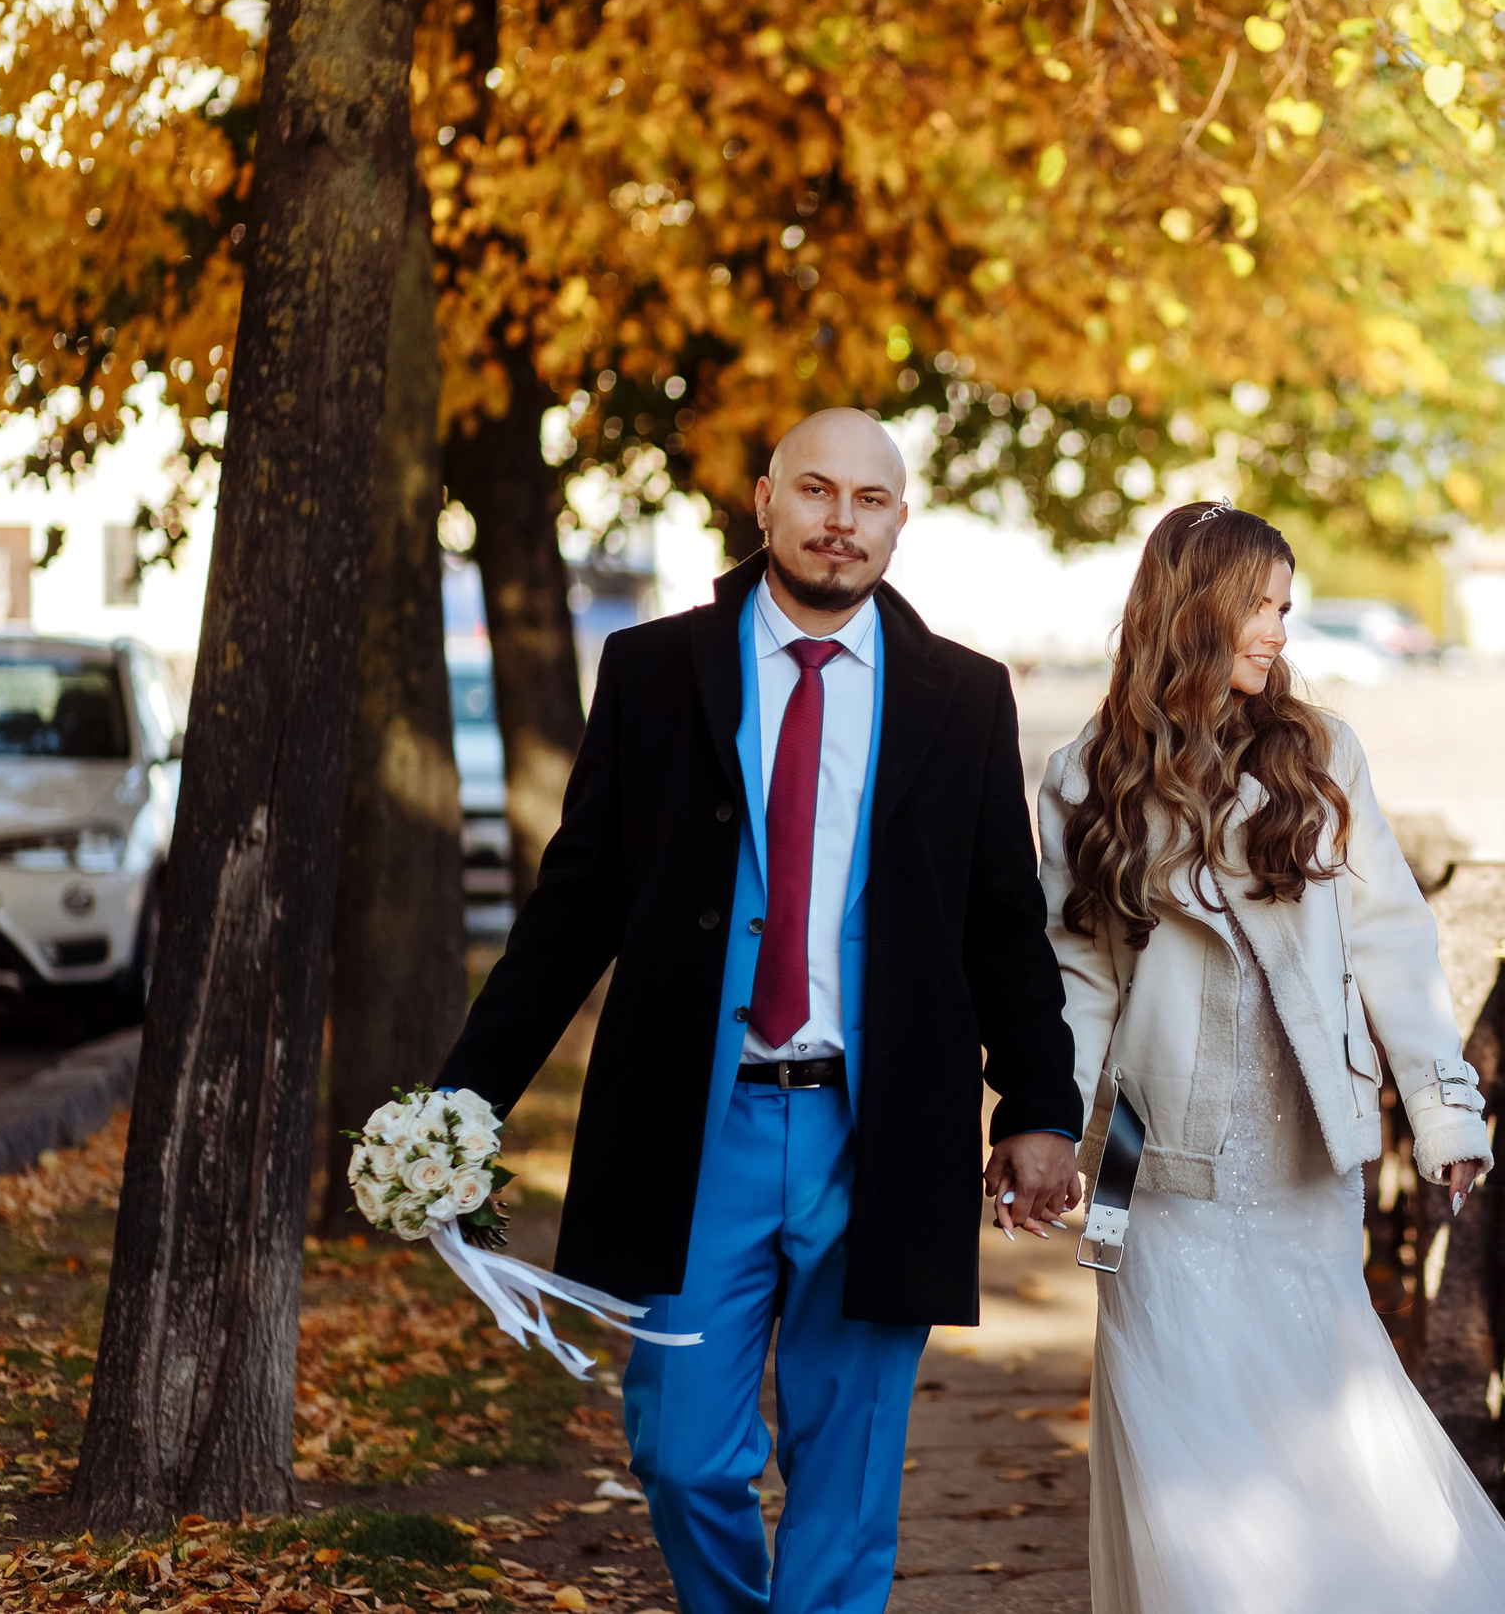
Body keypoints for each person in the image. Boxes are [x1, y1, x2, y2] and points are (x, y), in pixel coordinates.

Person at [434, 408, 1083, 1614]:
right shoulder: (651, 672)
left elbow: (1004, 922)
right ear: (765, 500)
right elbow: (574, 909)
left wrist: (1039, 1105)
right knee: (681, 1459)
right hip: (695, 1125)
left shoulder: (961, 696)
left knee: (845, 1478)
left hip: (881, 1133)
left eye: (870, 501)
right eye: (818, 492)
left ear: (899, 520)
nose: (842, 521)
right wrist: (465, 1101)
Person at [1037, 501, 1505, 1612]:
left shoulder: (1321, 753)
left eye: (1286, 609)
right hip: (1141, 1150)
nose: (1277, 633)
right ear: (1190, 609)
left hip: (1310, 1139)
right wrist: (1053, 1137)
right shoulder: (1081, 772)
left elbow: (1393, 938)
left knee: (1329, 1411)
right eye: (1258, 607)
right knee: (1170, 1429)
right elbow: (1075, 977)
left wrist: (1444, 1111)